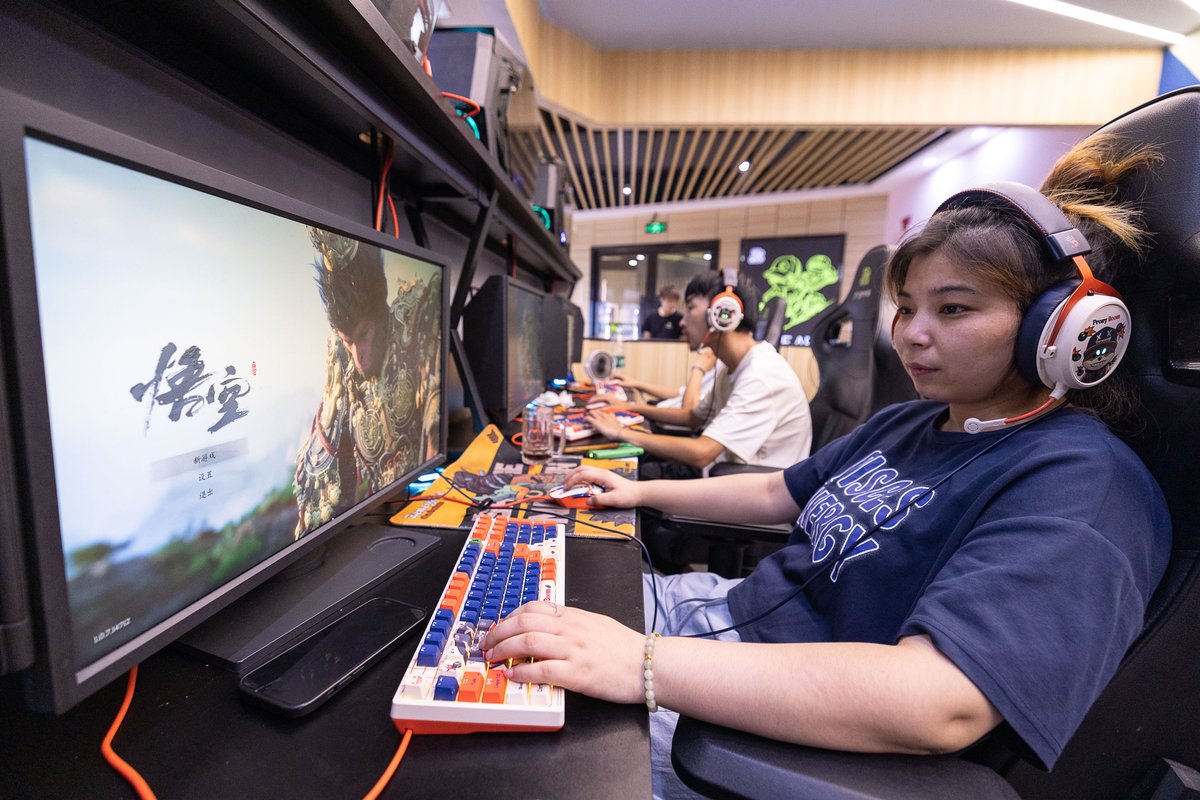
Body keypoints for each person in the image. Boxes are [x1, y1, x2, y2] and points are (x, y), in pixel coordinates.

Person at [481, 134, 1171, 799]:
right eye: (906, 309)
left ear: (1058, 331)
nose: (911, 334)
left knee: (487, 764)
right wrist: (632, 490)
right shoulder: (914, 420)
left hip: (767, 723)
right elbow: (780, 492)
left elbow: (941, 703)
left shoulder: (1084, 488)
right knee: (484, 621)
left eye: (953, 308)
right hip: (717, 617)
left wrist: (640, 662)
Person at [589, 272, 812, 481]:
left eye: (690, 308)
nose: (682, 322)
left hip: (746, 491)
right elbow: (692, 418)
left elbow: (702, 453)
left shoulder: (761, 375)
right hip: (725, 475)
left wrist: (620, 432)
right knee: (631, 462)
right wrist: (628, 408)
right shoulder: (733, 367)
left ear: (724, 313)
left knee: (623, 473)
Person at [293, 228, 442, 538]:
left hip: (425, 511)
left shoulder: (416, 323)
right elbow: (329, 483)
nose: (358, 358)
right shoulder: (342, 360)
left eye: (363, 336)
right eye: (349, 343)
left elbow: (433, 428)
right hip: (380, 526)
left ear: (380, 316)